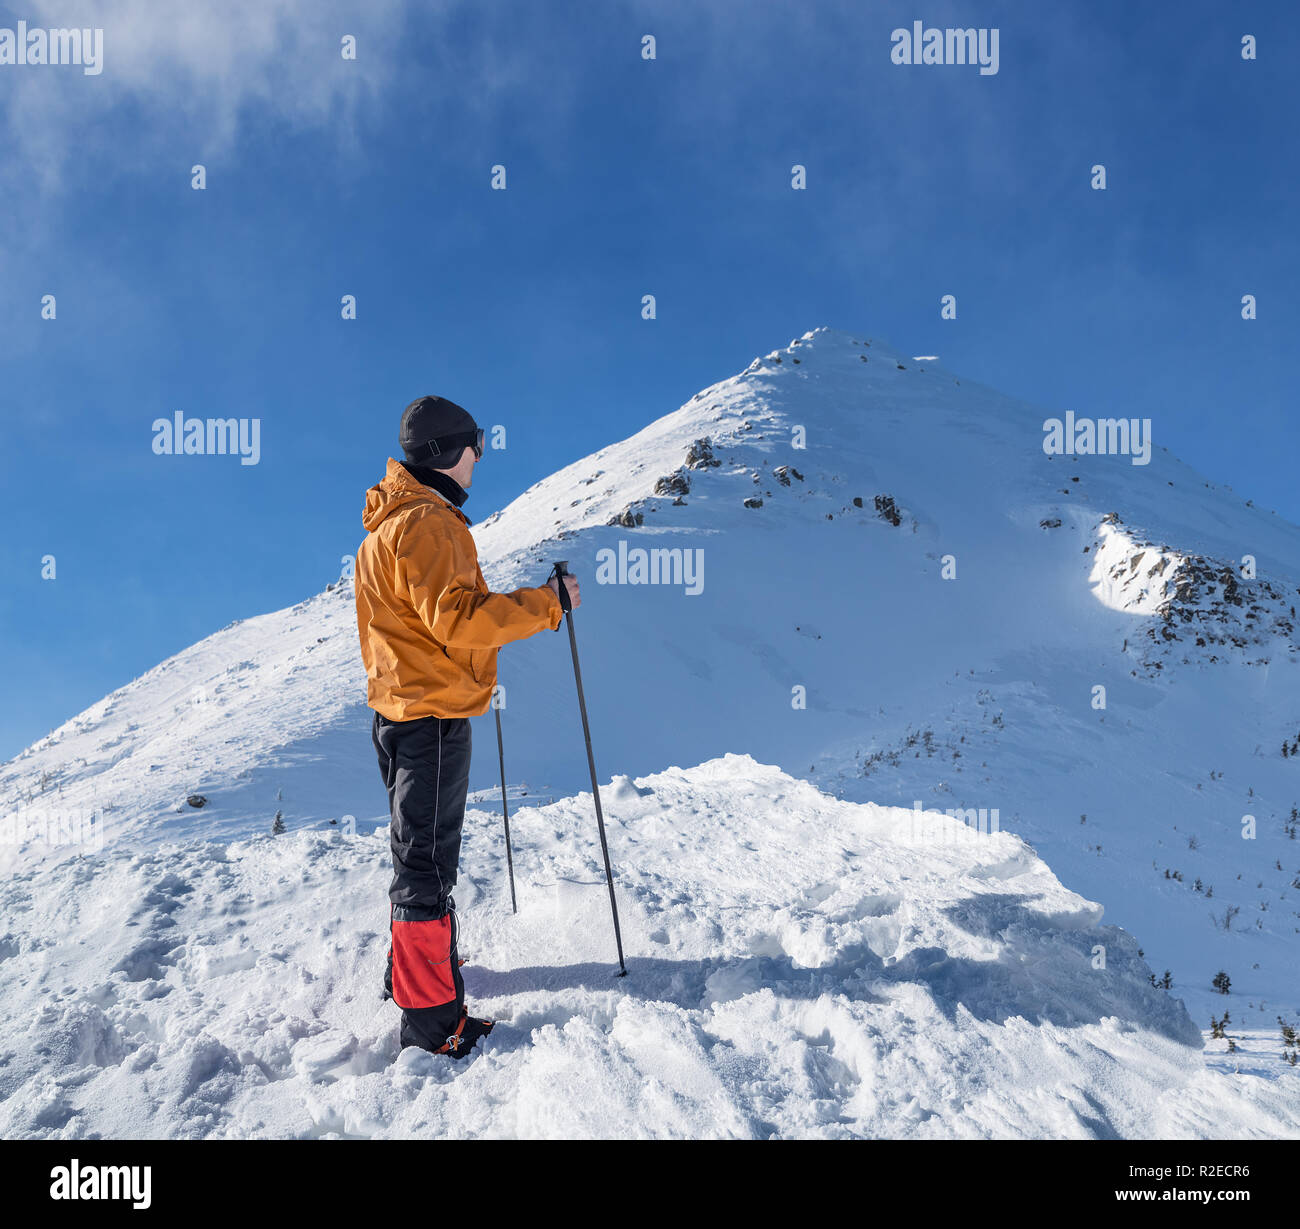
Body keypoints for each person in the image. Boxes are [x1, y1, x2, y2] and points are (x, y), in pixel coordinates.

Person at [354, 395, 580, 1059]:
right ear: (449, 452)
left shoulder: (386, 528)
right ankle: (431, 1020)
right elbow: (457, 620)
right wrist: (550, 604)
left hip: (402, 712)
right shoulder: (427, 523)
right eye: (474, 442)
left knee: (417, 855)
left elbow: (424, 624)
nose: (479, 455)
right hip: (432, 717)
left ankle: (415, 979)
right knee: (425, 864)